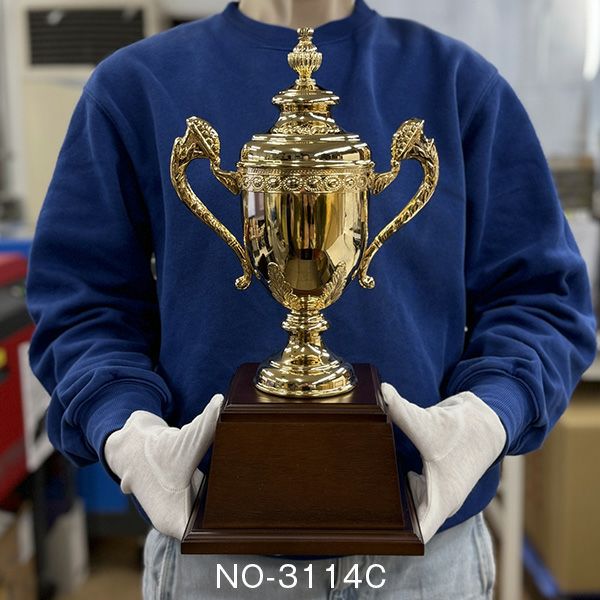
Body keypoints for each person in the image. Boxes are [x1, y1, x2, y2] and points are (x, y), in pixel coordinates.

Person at [26, 0, 596, 598]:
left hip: (426, 555)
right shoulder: (134, 86)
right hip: (210, 554)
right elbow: (82, 304)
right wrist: (127, 429)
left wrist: (487, 415)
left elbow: (541, 297)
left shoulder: (461, 83)